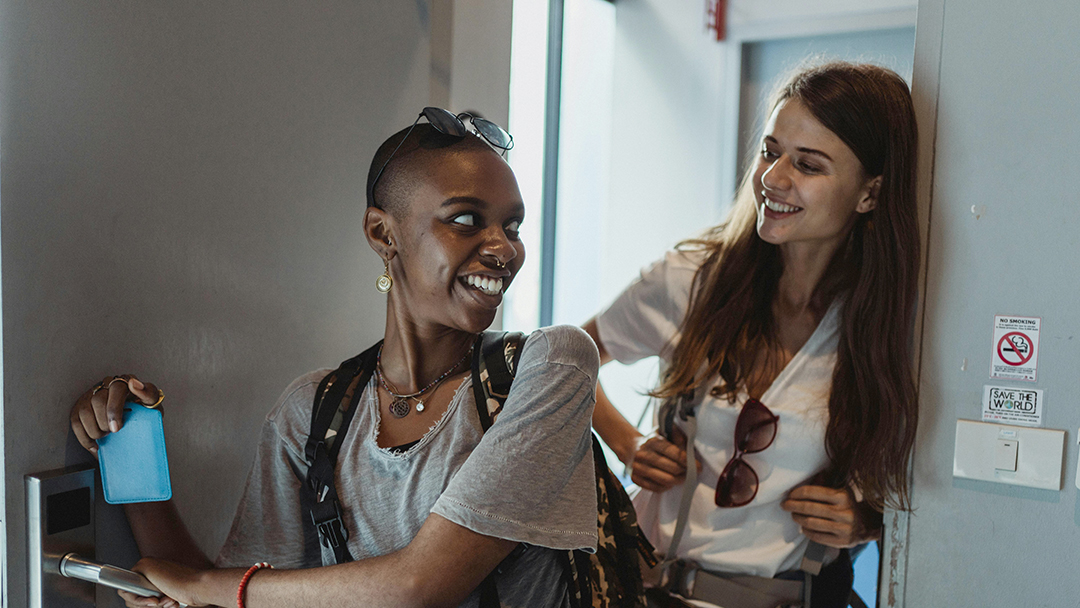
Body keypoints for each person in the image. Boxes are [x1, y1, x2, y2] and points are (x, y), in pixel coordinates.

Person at [70, 109, 600, 608]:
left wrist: (204, 586)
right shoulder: (313, 411)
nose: (504, 250)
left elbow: (419, 586)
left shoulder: (550, 366)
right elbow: (230, 595)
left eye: (512, 227)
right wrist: (128, 444)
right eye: (465, 219)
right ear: (382, 233)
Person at [585, 62, 919, 608]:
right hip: (646, 591)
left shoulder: (889, 328)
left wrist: (865, 519)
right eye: (771, 151)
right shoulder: (692, 279)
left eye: (808, 165)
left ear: (870, 194)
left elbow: (915, 479)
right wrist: (629, 440)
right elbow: (562, 360)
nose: (772, 177)